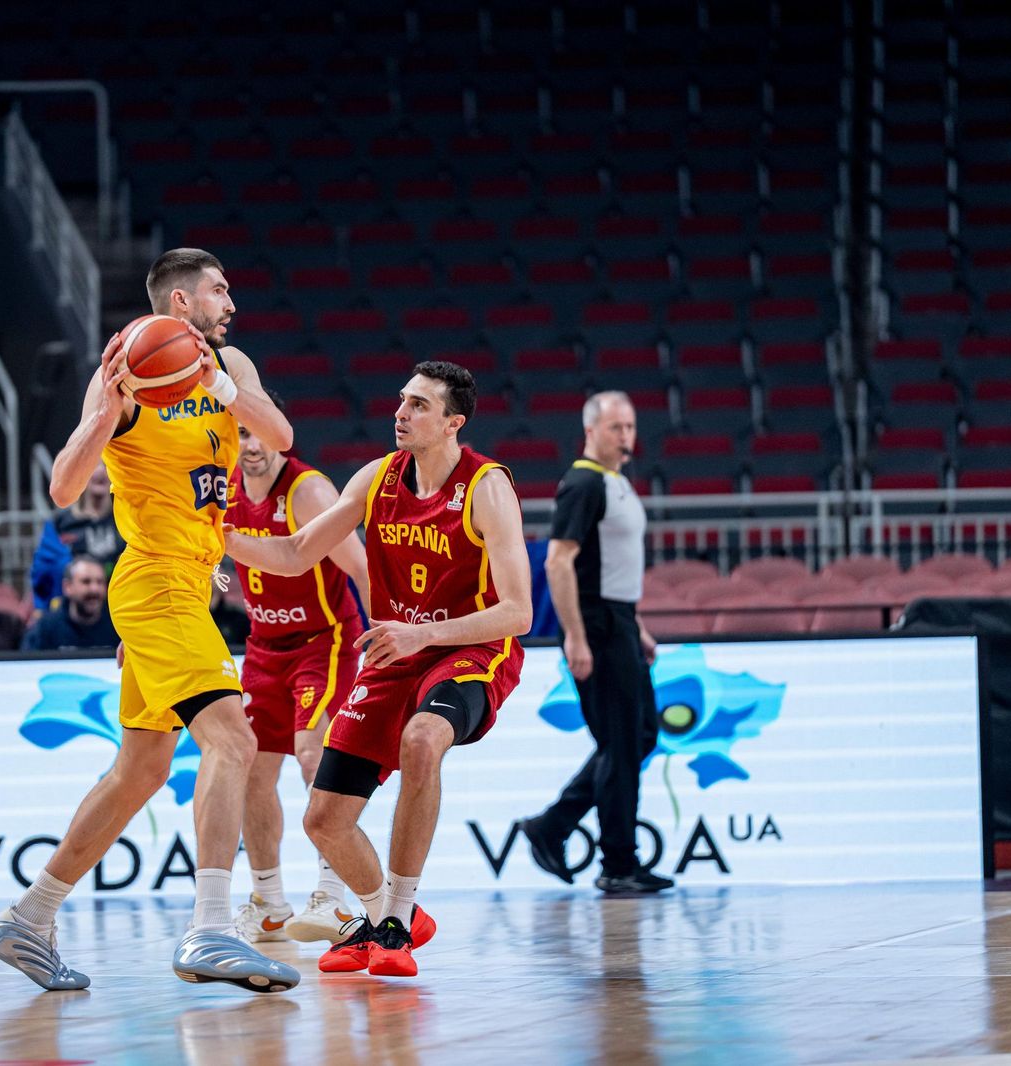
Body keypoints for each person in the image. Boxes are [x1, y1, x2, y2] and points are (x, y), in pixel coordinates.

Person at [0, 248, 301, 995]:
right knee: (233, 738)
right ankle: (214, 929)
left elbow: (280, 438)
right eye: (220, 289)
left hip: (189, 587)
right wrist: (106, 415)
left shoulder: (232, 365)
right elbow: (63, 487)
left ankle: (29, 917)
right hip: (153, 580)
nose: (232, 300)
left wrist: (222, 386)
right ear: (180, 302)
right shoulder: (127, 367)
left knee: (143, 769)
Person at [223, 361, 531, 978]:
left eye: (419, 405)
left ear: (452, 424)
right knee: (323, 820)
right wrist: (213, 535)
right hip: (395, 653)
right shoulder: (376, 478)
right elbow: (293, 553)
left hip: (468, 650)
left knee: (423, 741)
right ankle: (382, 919)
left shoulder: (487, 486)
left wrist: (424, 633)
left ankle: (395, 918)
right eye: (401, 400)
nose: (401, 412)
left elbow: (518, 611)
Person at [222, 399, 371, 946]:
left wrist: (386, 640)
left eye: (262, 434)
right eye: (241, 434)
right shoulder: (223, 489)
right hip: (263, 647)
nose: (254, 445)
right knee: (250, 772)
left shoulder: (308, 491)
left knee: (312, 755)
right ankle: (268, 903)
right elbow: (192, 561)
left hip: (323, 642)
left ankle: (333, 896)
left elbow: (360, 567)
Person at [520, 391, 674, 896]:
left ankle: (553, 826)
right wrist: (577, 638)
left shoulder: (615, 482)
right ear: (591, 431)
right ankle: (617, 863)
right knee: (623, 744)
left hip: (620, 620)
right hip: (597, 626)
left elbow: (615, 567)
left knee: (638, 737)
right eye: (615, 428)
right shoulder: (584, 483)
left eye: (630, 427)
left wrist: (638, 626)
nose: (626, 437)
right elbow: (558, 562)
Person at [21, 554, 119, 651]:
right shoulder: (45, 628)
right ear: (67, 587)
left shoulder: (118, 626)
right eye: (86, 582)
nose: (94, 589)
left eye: (100, 582)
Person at [54, 461, 124, 567]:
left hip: (117, 582)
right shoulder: (61, 521)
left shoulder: (124, 519)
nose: (100, 470)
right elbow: (46, 567)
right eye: (93, 465)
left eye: (106, 466)